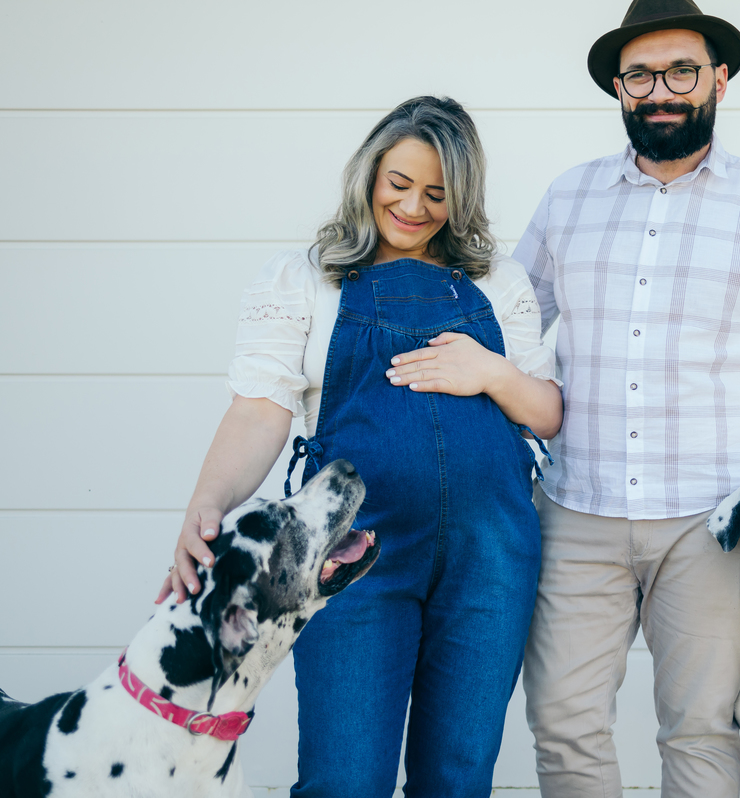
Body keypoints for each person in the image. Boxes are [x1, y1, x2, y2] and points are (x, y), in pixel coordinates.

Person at [155, 96, 562, 797]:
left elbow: (547, 413)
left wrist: (491, 372)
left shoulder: (498, 282)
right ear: (368, 174)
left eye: (438, 193)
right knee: (345, 780)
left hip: (491, 557)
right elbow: (259, 411)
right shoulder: (303, 280)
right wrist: (207, 502)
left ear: (462, 198)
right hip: (349, 556)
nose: (413, 206)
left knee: (458, 780)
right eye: (398, 184)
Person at [512, 1, 740, 795]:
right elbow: (506, 332)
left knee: (702, 728)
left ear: (720, 79)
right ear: (618, 86)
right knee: (563, 722)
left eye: (681, 70)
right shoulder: (567, 200)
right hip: (578, 509)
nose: (660, 89)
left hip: (714, 520)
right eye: (640, 73)